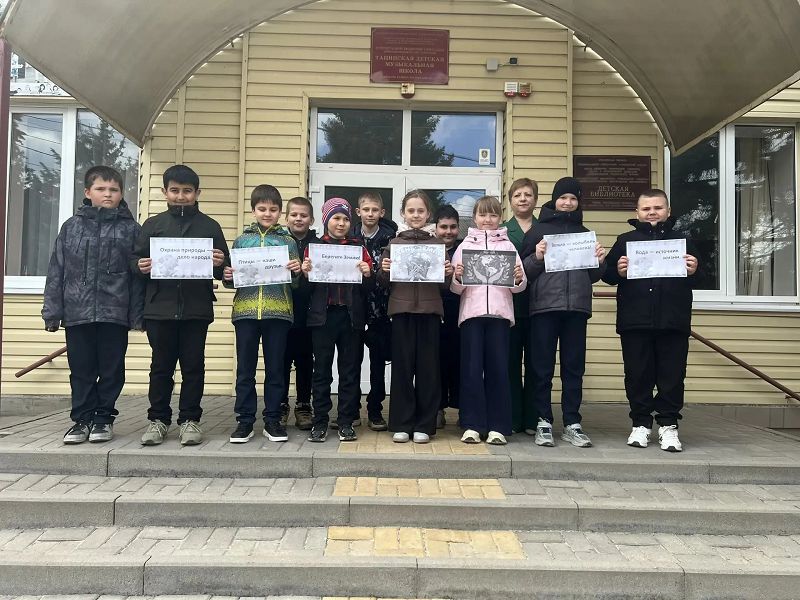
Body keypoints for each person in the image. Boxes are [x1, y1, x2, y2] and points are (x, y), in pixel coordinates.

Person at [43, 166, 144, 444]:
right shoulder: (71, 227)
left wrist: (137, 315)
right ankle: (82, 420)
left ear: (121, 193)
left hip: (115, 312)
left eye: (113, 190)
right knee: (81, 370)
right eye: (101, 189)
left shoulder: (131, 229)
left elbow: (137, 277)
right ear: (88, 192)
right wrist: (52, 311)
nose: (107, 194)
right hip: (78, 312)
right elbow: (57, 270)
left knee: (112, 369)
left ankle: (103, 418)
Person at [132, 164, 229, 446]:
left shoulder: (210, 226)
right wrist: (139, 265)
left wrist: (220, 263)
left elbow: (224, 271)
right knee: (160, 368)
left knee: (193, 367)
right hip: (159, 308)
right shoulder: (153, 225)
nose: (181, 196)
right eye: (175, 190)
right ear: (164, 192)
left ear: (197, 193)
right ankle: (158, 420)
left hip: (196, 309)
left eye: (187, 191)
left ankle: (190, 420)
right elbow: (134, 260)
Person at [602, 189, 699, 452]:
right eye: (646, 209)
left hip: (673, 320)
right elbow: (607, 275)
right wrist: (618, 270)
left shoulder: (683, 240)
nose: (652, 213)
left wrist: (694, 270)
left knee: (672, 376)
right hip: (635, 321)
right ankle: (641, 424)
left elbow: (702, 277)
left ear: (668, 211)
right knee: (637, 375)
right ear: (637, 213)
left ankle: (669, 425)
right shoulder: (625, 240)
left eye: (657, 208)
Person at [521, 177, 606, 448]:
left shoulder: (585, 233)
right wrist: (536, 256)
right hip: (544, 308)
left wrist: (600, 261)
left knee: (573, 367)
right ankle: (543, 421)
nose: (567, 203)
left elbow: (592, 275)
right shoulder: (537, 232)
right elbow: (523, 272)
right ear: (554, 200)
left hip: (577, 309)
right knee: (542, 367)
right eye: (563, 198)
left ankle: (572, 423)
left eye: (573, 198)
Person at [223, 185, 301, 443]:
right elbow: (232, 280)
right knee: (245, 370)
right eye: (262, 209)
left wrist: (297, 271)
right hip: (245, 312)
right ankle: (244, 422)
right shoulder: (241, 240)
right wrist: (228, 276)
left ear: (280, 212)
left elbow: (295, 283)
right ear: (253, 210)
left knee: (275, 369)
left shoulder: (288, 241)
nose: (267, 214)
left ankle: (272, 420)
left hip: (277, 313)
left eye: (273, 209)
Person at [378, 190, 454, 443]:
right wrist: (384, 270)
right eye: (411, 210)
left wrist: (448, 272)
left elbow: (445, 286)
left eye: (421, 211)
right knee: (402, 369)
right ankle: (401, 423)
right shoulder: (394, 244)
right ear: (403, 214)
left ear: (428, 214)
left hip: (430, 313)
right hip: (401, 313)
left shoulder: (437, 245)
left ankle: (424, 424)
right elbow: (383, 283)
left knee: (428, 371)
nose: (416, 215)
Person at [451, 196, 526, 445]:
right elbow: (455, 288)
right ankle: (472, 425)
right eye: (483, 215)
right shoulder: (464, 246)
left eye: (493, 215)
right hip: (471, 315)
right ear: (474, 218)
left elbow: (519, 285)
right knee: (471, 370)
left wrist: (518, 279)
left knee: (498, 370)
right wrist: (458, 277)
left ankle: (498, 426)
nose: (487, 220)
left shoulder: (508, 246)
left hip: (499, 315)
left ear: (500, 218)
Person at [302, 197, 373, 443]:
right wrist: (305, 273)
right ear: (326, 221)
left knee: (349, 372)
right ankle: (320, 421)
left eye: (345, 219)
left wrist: (367, 274)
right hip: (322, 318)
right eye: (336, 218)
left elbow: (369, 289)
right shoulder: (314, 248)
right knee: (321, 372)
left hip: (351, 318)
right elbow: (305, 289)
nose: (341, 223)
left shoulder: (358, 247)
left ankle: (345, 422)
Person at [353, 190, 397, 431]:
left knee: (378, 363)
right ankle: (351, 409)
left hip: (382, 309)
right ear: (358, 212)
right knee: (352, 361)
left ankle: (375, 410)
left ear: (382, 212)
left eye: (374, 210)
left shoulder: (391, 240)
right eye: (366, 210)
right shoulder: (348, 238)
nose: (370, 214)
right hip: (355, 309)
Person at [502, 178, 539, 434]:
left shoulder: (546, 230)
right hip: (511, 305)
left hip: (540, 305)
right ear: (510, 200)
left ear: (535, 199)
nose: (523, 199)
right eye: (518, 195)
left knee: (536, 364)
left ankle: (533, 418)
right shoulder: (502, 231)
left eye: (528, 194)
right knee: (510, 363)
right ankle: (513, 416)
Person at [280, 196, 317, 431]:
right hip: (281, 311)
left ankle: (304, 406)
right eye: (294, 215)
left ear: (311, 220)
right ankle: (280, 405)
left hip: (309, 313)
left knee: (305, 361)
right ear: (286, 219)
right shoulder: (277, 244)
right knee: (281, 361)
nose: (298, 219)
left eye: (304, 215)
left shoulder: (319, 244)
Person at [433, 204, 462, 428]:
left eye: (453, 227)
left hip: (461, 311)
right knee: (436, 362)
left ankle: (464, 409)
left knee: (461, 362)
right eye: (444, 227)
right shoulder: (428, 249)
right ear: (435, 228)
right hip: (434, 312)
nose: (448, 231)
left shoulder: (465, 249)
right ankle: (438, 408)